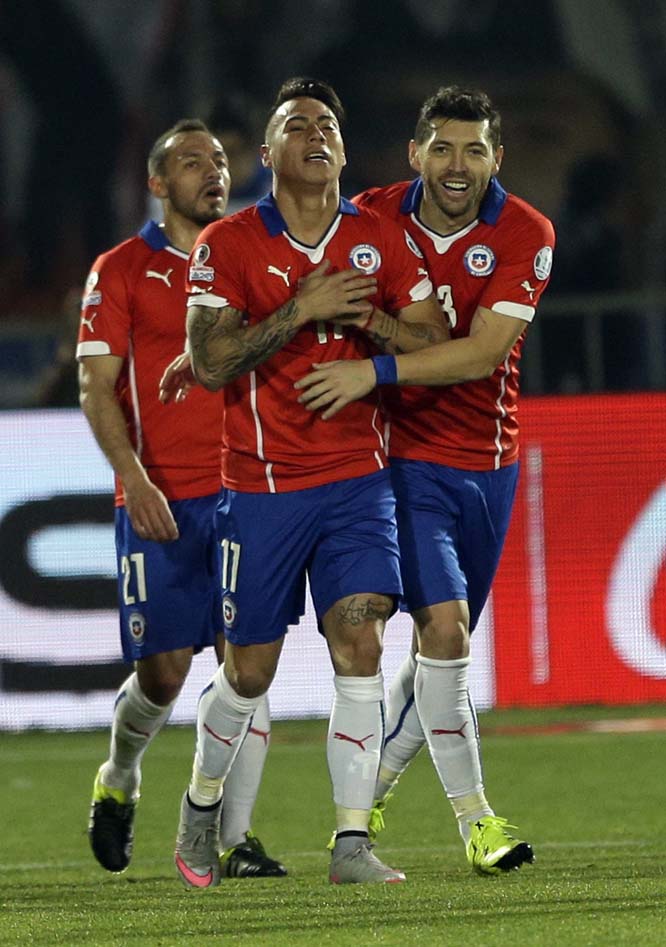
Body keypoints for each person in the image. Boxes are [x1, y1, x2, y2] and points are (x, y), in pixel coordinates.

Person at [159, 77, 447, 887]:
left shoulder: (382, 237)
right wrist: (301, 305)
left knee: (361, 641)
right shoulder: (231, 243)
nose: (316, 134)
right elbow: (211, 362)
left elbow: (430, 339)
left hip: (359, 481)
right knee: (249, 672)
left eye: (328, 124)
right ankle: (202, 802)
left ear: (344, 150)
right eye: (298, 124)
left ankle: (351, 842)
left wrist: (368, 324)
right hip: (262, 488)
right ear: (267, 153)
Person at [295, 86, 555, 874]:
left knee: (441, 653)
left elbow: (480, 354)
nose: (457, 164)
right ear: (415, 155)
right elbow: (296, 276)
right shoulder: (370, 216)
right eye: (442, 148)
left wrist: (376, 364)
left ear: (496, 159)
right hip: (402, 461)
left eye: (474, 150)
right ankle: (479, 823)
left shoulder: (525, 231)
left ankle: (370, 783)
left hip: (492, 463)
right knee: (445, 631)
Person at [77, 118, 286, 880]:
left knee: (247, 666)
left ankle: (235, 837)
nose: (213, 172)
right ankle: (120, 776)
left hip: (247, 491)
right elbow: (95, 386)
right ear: (158, 182)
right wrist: (133, 479)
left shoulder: (249, 256)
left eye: (222, 161)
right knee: (163, 675)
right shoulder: (123, 268)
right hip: (161, 499)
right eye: (192, 162)